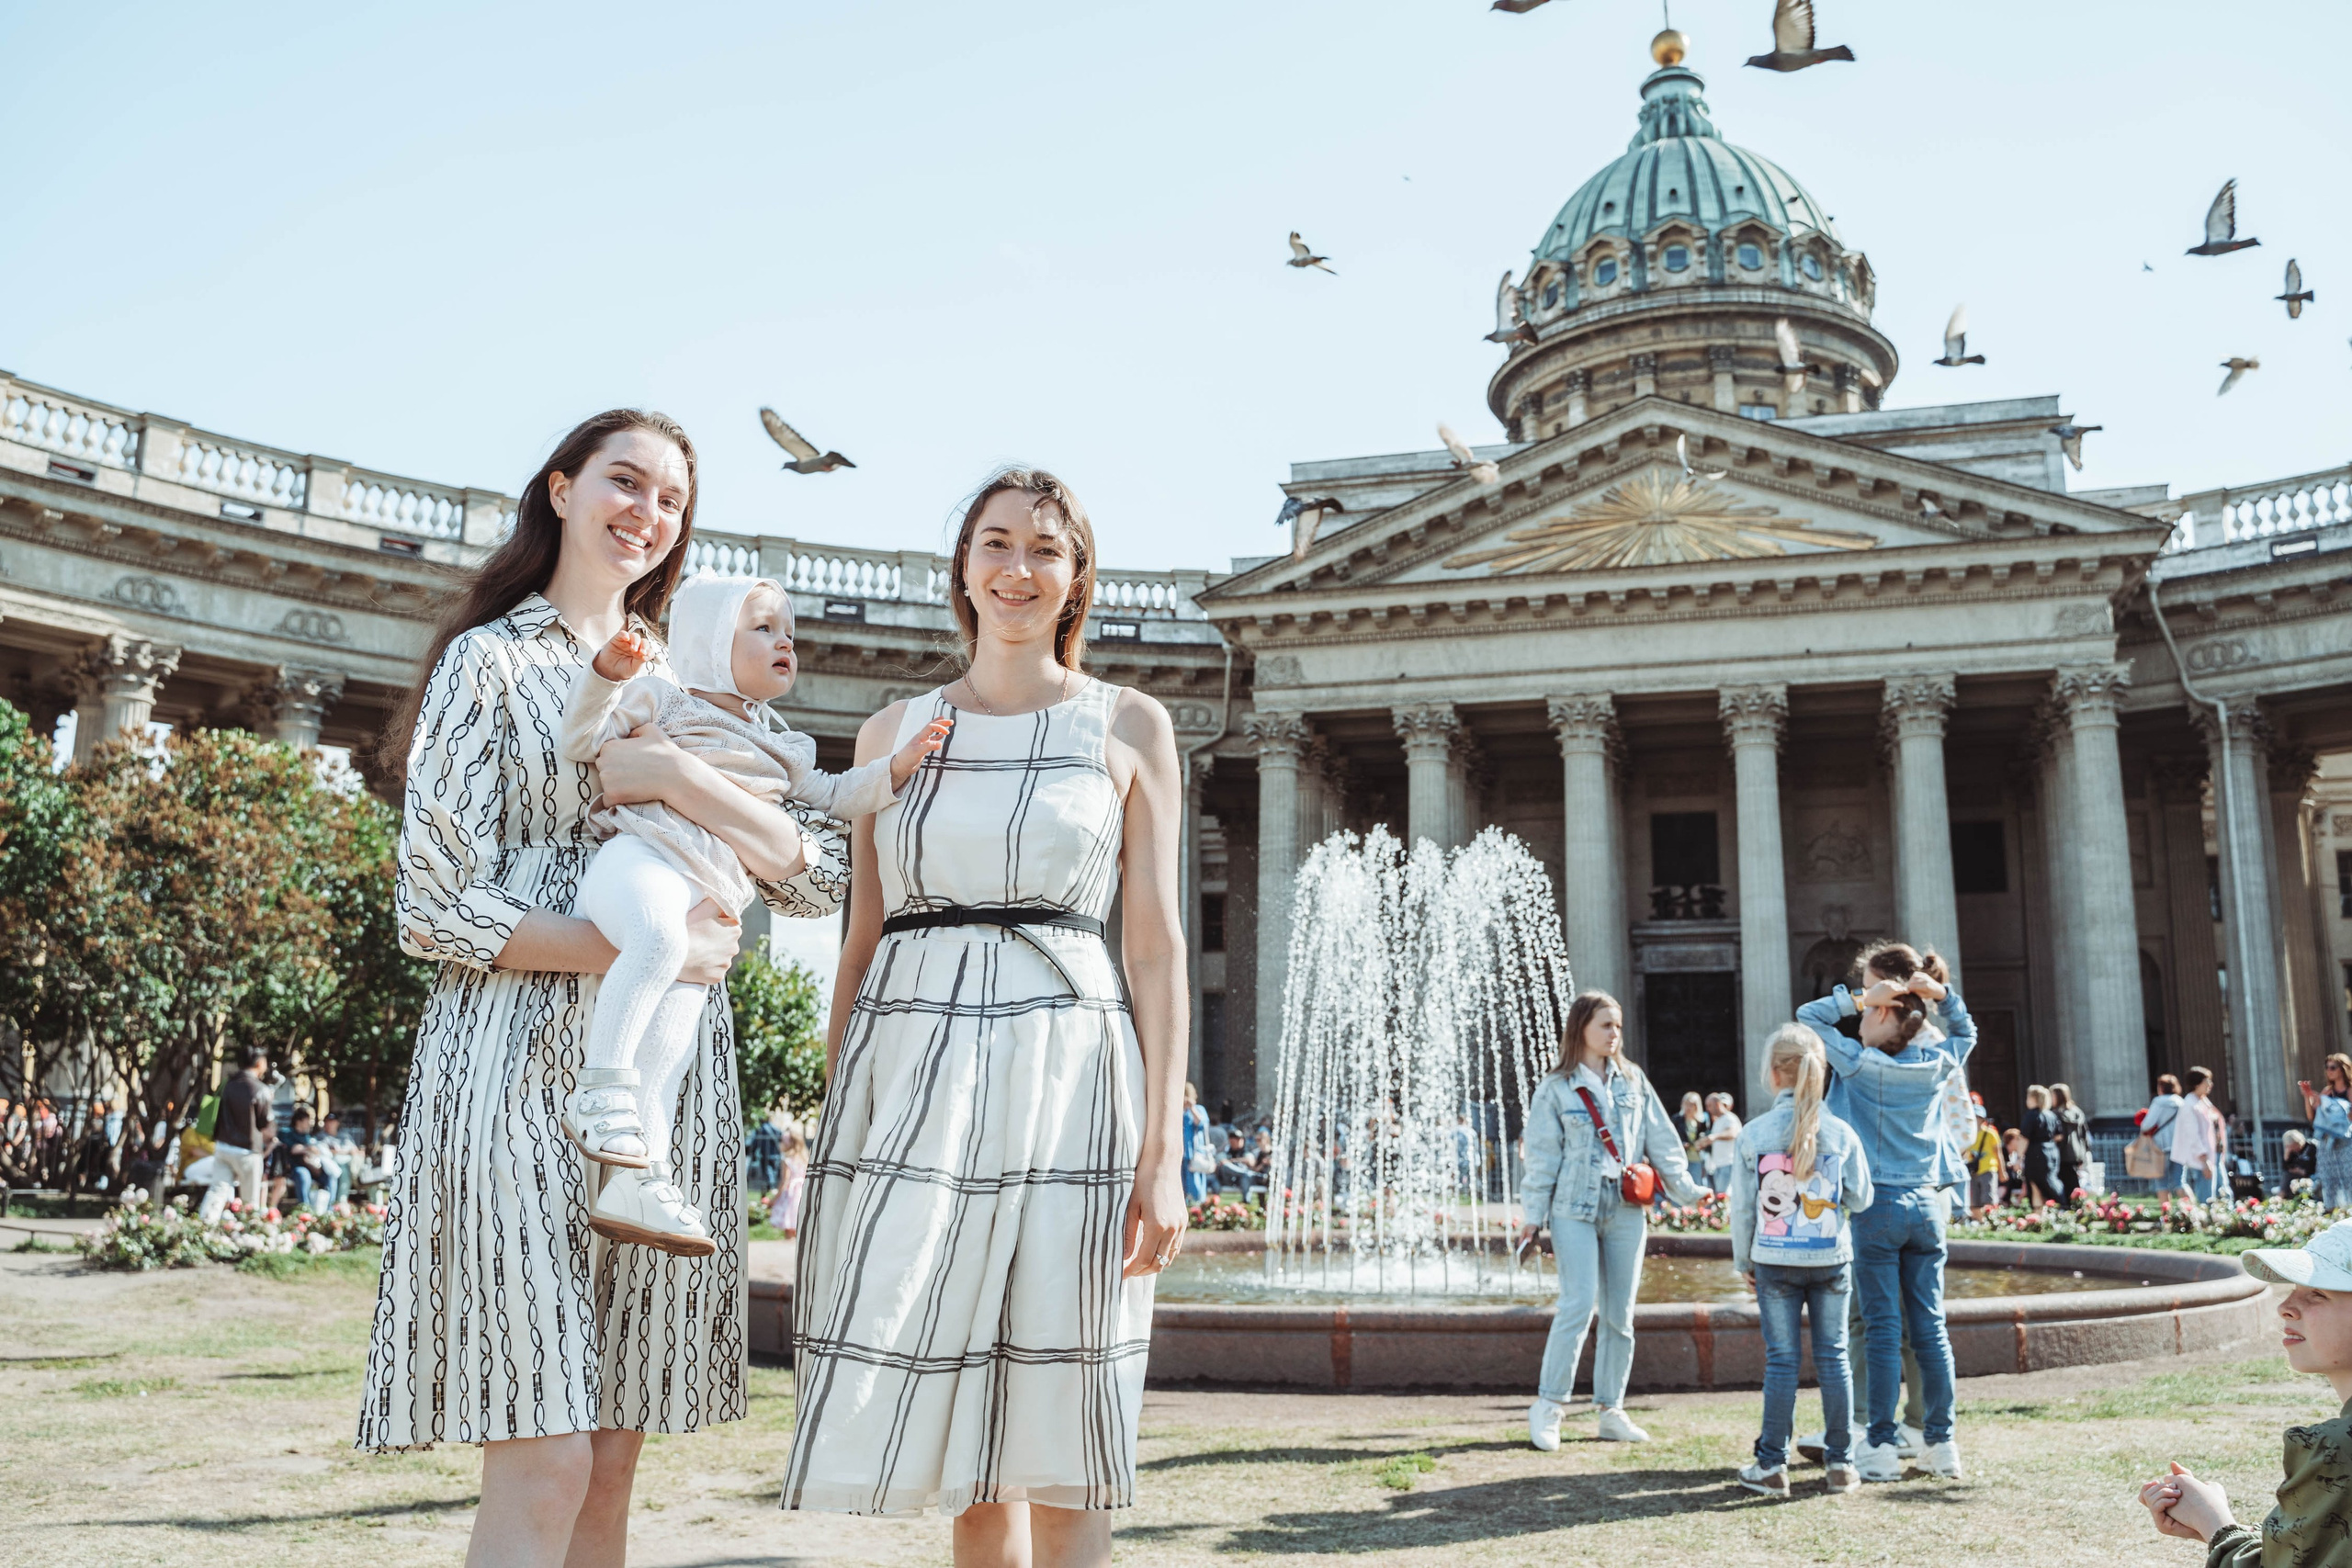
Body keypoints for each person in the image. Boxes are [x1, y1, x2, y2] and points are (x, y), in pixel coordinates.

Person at [355, 409, 852, 1568]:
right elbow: (431, 905)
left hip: (664, 1090)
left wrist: (685, 775)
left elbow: (820, 877)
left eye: (672, 499)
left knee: (614, 1464)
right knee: (547, 1455)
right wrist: (641, 947)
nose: (648, 513)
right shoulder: (490, 659)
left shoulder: (696, 675)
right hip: (507, 1061)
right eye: (626, 482)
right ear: (563, 489)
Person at [783, 467, 1187, 1562]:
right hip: (912, 1067)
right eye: (995, 544)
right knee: (966, 1435)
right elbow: (860, 943)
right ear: (961, 569)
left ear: (1075, 578)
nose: (1018, 569)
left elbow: (1152, 947)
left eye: (1044, 550)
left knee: (1069, 1402)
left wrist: (1163, 1154)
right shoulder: (888, 732)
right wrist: (840, 1112)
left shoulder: (1131, 725)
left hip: (1070, 1065)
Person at [555, 572, 949, 1254]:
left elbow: (834, 794)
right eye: (763, 627)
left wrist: (898, 768)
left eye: (789, 631)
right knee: (654, 939)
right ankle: (598, 1090)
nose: (784, 641)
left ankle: (636, 1177)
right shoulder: (662, 698)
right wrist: (604, 675)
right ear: (709, 641)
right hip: (640, 862)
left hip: (706, 894)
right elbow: (581, 738)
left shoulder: (783, 745)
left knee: (674, 1041)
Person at [1797, 941, 1973, 1483]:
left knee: (1878, 1326)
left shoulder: (1860, 1064)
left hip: (1878, 1206)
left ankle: (1877, 1444)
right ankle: (1941, 1444)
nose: (1863, 1020)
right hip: (1927, 1203)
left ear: (1883, 1016)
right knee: (1931, 1328)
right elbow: (1966, 1033)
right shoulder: (1937, 1062)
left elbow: (1808, 1019)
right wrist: (1942, 996)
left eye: (1872, 1013)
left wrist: (1854, 998)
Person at [1518, 990, 1706, 1451]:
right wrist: (1531, 1218)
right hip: (1573, 1208)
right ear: (1581, 1028)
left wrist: (1689, 1192)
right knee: (1578, 1305)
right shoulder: (1557, 1087)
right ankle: (1549, 1406)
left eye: (1618, 1025)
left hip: (1625, 1207)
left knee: (1621, 1315)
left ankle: (1611, 1410)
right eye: (1605, 1025)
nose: (1614, 1033)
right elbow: (1542, 1158)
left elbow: (1662, 1140)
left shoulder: (1634, 1081)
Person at [2140, 1217, 2352, 1564]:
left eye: (2317, 1293)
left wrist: (2214, 1522)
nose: (2286, 1306)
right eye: (2294, 1288)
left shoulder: (2339, 1448)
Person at [1730, 1024, 1873, 1497]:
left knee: (1782, 1362)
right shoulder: (1841, 1131)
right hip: (1831, 1258)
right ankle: (1842, 1465)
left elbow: (1744, 1209)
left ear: (1774, 1075)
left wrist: (1743, 1262)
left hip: (1773, 1261)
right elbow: (1862, 1196)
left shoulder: (1754, 1133)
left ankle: (1771, 1466)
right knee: (1834, 1359)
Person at [211, 1046, 274, 1221]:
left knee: (217, 1191)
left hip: (223, 1146)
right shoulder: (260, 1089)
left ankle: (205, 1227)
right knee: (250, 1199)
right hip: (247, 1151)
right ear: (260, 1063)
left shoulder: (228, 1085)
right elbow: (264, 1123)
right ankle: (248, 1234)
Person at [2301, 1054, 2352, 1210]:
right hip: (2326, 1143)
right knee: (2329, 1180)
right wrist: (2307, 1096)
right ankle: (2331, 1214)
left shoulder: (2350, 1091)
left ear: (2342, 1069)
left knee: (2349, 1178)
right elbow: (2313, 1116)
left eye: (2333, 1067)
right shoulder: (2327, 1092)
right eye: (2327, 1067)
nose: (2329, 1071)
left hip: (2345, 1142)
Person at [2172, 1066, 2223, 1202]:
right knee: (2206, 1198)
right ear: (2197, 1084)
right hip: (2202, 1158)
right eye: (2207, 1081)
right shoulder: (2190, 1105)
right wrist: (2204, 1160)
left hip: (2211, 1155)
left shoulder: (2200, 1102)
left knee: (2220, 1193)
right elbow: (2192, 1135)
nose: (2210, 1085)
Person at [2140, 1073, 2187, 1197]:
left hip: (2161, 1147)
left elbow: (2146, 1125)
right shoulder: (2182, 1103)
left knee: (2161, 1183)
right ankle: (2191, 1211)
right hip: (2179, 1147)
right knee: (2180, 1182)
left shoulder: (2158, 1102)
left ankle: (2166, 1213)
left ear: (2161, 1088)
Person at [2019, 1086, 2065, 1207]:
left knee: (2035, 1184)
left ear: (2033, 1098)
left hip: (2036, 1153)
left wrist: (2019, 1158)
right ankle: (2058, 1204)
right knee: (2050, 1179)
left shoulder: (2031, 1115)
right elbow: (2059, 1135)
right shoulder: (2051, 1115)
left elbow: (2024, 1139)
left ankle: (2042, 1210)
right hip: (2052, 1151)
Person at [2049, 1082, 2092, 1200]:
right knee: (2073, 1183)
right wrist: (2086, 1151)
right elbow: (2084, 1134)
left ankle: (2067, 1207)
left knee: (2063, 1183)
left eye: (2051, 1096)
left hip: (2061, 1153)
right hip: (2077, 1152)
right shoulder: (2077, 1112)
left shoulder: (2054, 1114)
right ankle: (2077, 1205)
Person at [767, 1122, 808, 1237]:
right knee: (799, 1226)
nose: (780, 1143)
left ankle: (788, 1243)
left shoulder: (787, 1159)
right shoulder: (805, 1159)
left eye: (782, 1141)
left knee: (789, 1225)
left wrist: (775, 1199)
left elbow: (784, 1181)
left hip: (791, 1194)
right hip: (803, 1192)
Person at [1702, 1092, 1742, 1197]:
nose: (1707, 1109)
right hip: (1717, 1165)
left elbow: (1733, 1133)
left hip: (1728, 1163)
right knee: (1719, 1196)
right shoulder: (1718, 1121)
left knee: (1724, 1197)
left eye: (1709, 1105)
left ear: (1717, 1104)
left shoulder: (1730, 1118)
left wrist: (1715, 1137)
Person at [1963, 1111, 2002, 1218]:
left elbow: (1998, 1153)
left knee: (1988, 1198)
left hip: (1988, 1168)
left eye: (1977, 1117)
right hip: (1974, 1171)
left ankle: (1992, 1221)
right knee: (1975, 1200)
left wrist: (2002, 1171)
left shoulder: (1991, 1133)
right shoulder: (1968, 1134)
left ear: (1982, 1119)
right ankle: (1980, 1222)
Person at [1182, 1083, 1214, 1205]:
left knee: (1194, 1181)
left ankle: (1197, 1205)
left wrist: (1192, 1108)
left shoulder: (1199, 1109)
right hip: (1180, 1151)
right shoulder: (1177, 1110)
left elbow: (1202, 1124)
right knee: (1180, 1181)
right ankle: (1184, 1204)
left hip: (1194, 1152)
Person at [746, 1111, 785, 1199]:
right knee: (773, 1172)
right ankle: (770, 1188)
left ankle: (771, 1188)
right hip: (776, 1155)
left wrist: (753, 1151)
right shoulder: (775, 1129)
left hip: (766, 1154)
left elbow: (755, 1141)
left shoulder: (762, 1129)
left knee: (767, 1172)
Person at [2283, 1130, 2319, 1196]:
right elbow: (2286, 1168)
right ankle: (2282, 1195)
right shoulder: (2292, 1151)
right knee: (2287, 1175)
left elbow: (2316, 1164)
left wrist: (2304, 1172)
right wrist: (2286, 1157)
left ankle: (2281, 1195)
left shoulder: (2312, 1147)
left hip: (2312, 1175)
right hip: (2298, 1176)